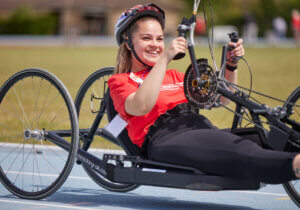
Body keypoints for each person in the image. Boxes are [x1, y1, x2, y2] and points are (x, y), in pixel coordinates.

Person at [108, 3, 300, 184]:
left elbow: (222, 99)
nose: (156, 45)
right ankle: (295, 165)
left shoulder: (175, 76)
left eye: (159, 39)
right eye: (146, 38)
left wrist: (231, 65)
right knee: (238, 150)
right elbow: (142, 105)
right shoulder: (120, 82)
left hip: (201, 130)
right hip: (165, 139)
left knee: (264, 138)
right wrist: (165, 58)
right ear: (128, 43)